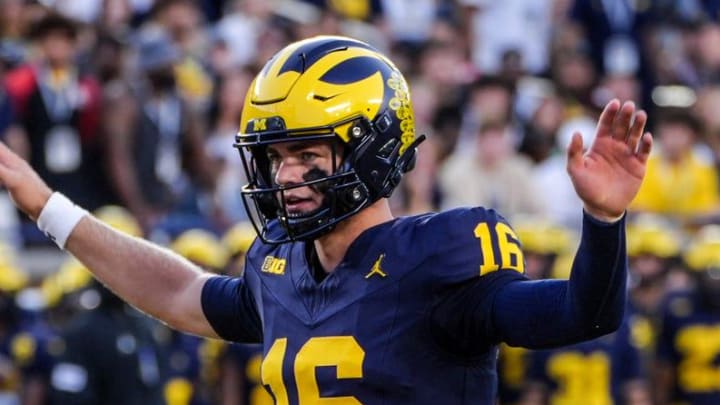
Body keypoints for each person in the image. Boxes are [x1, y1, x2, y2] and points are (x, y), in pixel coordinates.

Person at [0, 35, 652, 404]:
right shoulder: (280, 268)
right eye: (275, 157)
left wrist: (602, 217)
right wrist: (46, 206)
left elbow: (581, 313)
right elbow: (176, 290)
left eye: (308, 153)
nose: (285, 176)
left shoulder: (437, 253)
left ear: (374, 148)